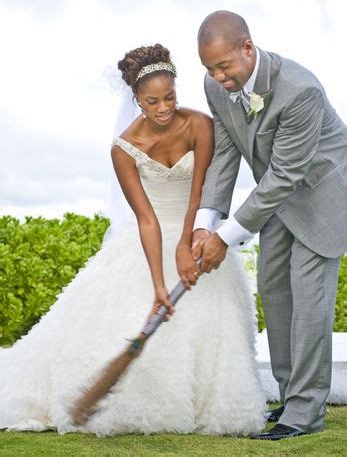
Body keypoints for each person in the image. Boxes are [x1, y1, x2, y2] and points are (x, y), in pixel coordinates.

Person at [0, 44, 266, 436]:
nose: (163, 108)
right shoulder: (123, 148)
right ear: (137, 100)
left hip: (197, 233)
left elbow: (200, 196)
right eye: (152, 101)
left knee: (214, 320)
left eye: (170, 97)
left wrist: (190, 242)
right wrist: (159, 285)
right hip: (149, 241)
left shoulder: (199, 125)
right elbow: (146, 219)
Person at [192, 10, 347, 440]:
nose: (219, 77)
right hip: (277, 199)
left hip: (323, 194)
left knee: (308, 298)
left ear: (248, 47)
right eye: (209, 68)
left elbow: (285, 175)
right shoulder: (215, 87)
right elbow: (225, 155)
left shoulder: (301, 89)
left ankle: (307, 411)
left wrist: (225, 238)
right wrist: (206, 223)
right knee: (274, 290)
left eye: (224, 66)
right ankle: (290, 394)